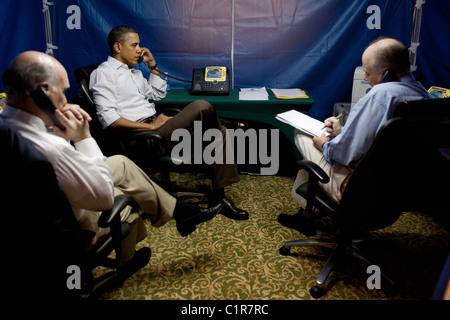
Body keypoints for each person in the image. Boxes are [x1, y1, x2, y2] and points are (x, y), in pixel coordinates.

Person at [0, 51, 226, 280]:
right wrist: (83, 137)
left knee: (121, 164)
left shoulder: (10, 128)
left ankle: (181, 212)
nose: (66, 101)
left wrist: (153, 67)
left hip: (48, 203)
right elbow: (104, 196)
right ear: (43, 92)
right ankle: (129, 259)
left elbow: (157, 93)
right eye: (64, 91)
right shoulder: (49, 147)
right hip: (69, 225)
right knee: (129, 194)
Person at [90, 25, 248, 221]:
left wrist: (152, 65)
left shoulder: (134, 73)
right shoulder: (103, 73)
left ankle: (219, 199)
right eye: (134, 45)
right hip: (143, 138)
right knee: (201, 105)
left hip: (158, 126)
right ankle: (221, 121)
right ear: (117, 47)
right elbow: (110, 120)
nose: (140, 49)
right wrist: (151, 127)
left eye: (139, 45)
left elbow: (157, 93)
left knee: (218, 133)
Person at [278, 37, 432, 235]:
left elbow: (341, 155)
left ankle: (305, 217)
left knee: (303, 134)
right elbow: (384, 143)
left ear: (387, 72)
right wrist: (343, 132)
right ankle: (304, 215)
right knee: (320, 152)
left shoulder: (379, 95)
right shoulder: (422, 94)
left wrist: (325, 143)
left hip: (357, 191)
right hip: (395, 195)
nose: (365, 78)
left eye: (367, 73)